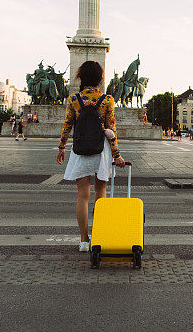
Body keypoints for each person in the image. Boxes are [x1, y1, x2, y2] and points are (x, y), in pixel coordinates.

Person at [56, 60, 126, 253]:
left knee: (82, 196)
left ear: (80, 77)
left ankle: (84, 240)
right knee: (101, 195)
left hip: (80, 150)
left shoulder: (73, 100)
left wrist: (61, 147)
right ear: (99, 79)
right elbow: (111, 130)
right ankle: (100, 235)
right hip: (101, 151)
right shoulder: (107, 100)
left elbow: (67, 126)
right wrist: (117, 155)